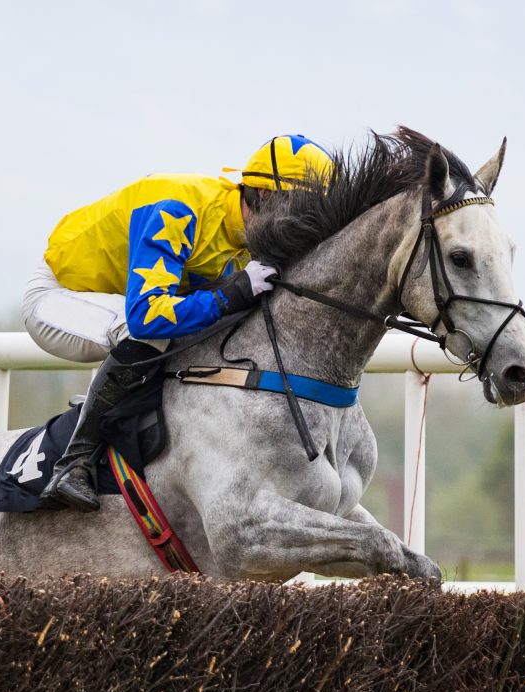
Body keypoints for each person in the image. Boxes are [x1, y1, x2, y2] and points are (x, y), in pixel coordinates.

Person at [21, 134, 335, 511]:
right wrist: (230, 294)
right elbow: (146, 317)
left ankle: (116, 408)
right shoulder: (177, 209)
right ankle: (74, 462)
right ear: (265, 196)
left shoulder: (247, 234)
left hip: (118, 297)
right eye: (300, 212)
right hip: (59, 297)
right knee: (147, 330)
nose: (302, 228)